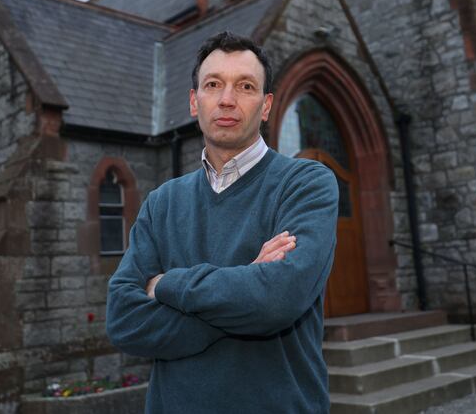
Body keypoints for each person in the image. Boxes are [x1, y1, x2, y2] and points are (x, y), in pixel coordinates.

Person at [106, 31, 338, 413]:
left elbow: (278, 300)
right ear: (194, 101)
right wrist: (248, 288)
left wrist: (166, 284)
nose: (227, 99)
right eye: (213, 84)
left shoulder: (306, 183)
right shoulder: (162, 203)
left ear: (266, 106)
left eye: (245, 86)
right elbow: (123, 321)